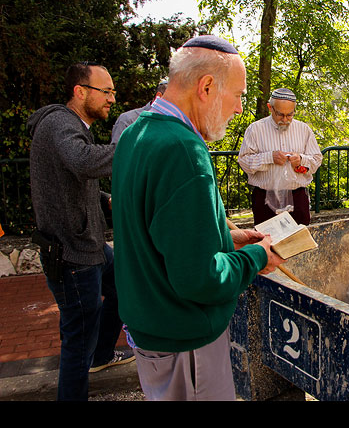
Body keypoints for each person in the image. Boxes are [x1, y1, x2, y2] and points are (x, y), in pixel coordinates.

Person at [111, 35, 285, 401]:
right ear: (206, 87)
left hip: (153, 328)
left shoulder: (135, 134)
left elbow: (157, 229)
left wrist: (226, 238)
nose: (239, 108)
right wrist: (257, 256)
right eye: (237, 95)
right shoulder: (183, 150)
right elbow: (201, 279)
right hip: (184, 340)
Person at [27, 61, 134, 401]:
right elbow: (84, 161)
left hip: (91, 247)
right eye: (107, 92)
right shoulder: (60, 123)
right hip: (73, 256)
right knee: (77, 344)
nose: (112, 100)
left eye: (113, 92)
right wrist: (137, 147)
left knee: (123, 288)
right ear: (80, 91)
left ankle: (102, 356)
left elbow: (70, 181)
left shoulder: (72, 124)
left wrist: (105, 201)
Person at [238, 88, 323, 226]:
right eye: (280, 114)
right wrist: (269, 157)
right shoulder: (255, 129)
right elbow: (244, 162)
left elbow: (316, 160)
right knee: (267, 245)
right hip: (265, 199)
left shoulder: (304, 130)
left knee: (300, 244)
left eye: (290, 115)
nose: (285, 120)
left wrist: (301, 159)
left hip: (297, 198)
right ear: (270, 108)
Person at [110, 79, 168, 144]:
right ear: (159, 96)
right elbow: (117, 151)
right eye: (174, 102)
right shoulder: (128, 120)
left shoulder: (173, 125)